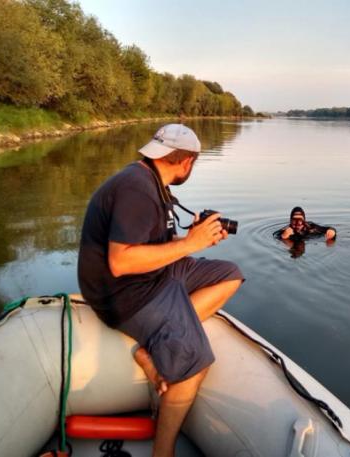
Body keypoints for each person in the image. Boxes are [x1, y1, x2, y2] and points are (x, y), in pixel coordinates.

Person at [77, 123, 244, 457]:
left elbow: (155, 245)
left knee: (230, 274)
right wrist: (190, 244)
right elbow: (121, 263)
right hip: (123, 293)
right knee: (194, 364)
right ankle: (163, 452)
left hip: (154, 276)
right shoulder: (137, 188)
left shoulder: (153, 183)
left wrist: (190, 238)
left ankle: (158, 342)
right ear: (186, 162)